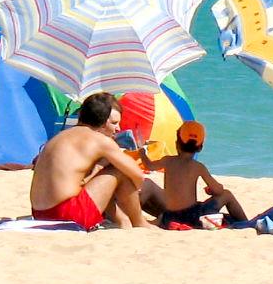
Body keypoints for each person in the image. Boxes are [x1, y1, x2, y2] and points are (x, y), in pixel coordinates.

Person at [28, 91, 150, 230]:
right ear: (103, 122)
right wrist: (131, 193)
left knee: (99, 175)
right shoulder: (100, 141)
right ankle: (140, 222)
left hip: (40, 214)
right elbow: (138, 175)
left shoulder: (59, 137)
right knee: (118, 171)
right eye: (114, 123)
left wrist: (99, 167)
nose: (118, 128)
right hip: (67, 215)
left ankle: (122, 220)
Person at [144, 121, 247, 229]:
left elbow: (149, 165)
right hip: (192, 217)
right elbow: (219, 191)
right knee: (226, 194)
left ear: (176, 144)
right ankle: (245, 223)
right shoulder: (198, 167)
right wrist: (213, 190)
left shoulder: (167, 160)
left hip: (169, 216)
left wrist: (143, 153)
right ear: (200, 148)